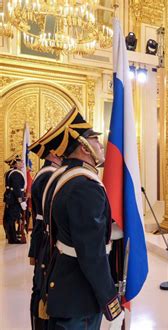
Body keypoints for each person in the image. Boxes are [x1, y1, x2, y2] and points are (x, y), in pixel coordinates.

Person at [41, 108, 123, 329]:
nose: (101, 145)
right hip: (79, 294)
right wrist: (110, 299)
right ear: (83, 147)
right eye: (95, 140)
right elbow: (91, 254)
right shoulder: (84, 187)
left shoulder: (64, 176)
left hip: (65, 281)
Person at [28, 132, 63, 330]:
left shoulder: (47, 172)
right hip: (46, 233)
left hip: (42, 232)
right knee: (42, 287)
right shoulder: (50, 175)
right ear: (52, 153)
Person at [3, 153, 27, 244]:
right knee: (12, 219)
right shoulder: (16, 174)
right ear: (16, 163)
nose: (22, 163)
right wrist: (21, 201)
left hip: (11, 198)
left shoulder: (12, 172)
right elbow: (17, 189)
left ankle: (11, 236)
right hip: (14, 199)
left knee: (10, 218)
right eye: (20, 161)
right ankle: (12, 239)